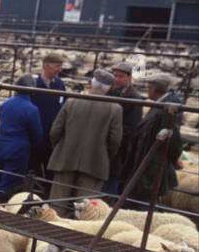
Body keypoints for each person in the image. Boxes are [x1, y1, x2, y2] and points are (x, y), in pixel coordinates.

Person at [47, 70, 122, 206]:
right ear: (109, 88)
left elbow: (55, 131)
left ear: (91, 83)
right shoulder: (114, 108)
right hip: (95, 163)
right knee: (85, 209)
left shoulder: (72, 101)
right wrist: (104, 155)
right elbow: (115, 140)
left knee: (57, 203)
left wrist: (60, 149)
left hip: (65, 159)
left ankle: (52, 225)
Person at [128, 72, 186, 210]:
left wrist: (174, 157)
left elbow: (172, 136)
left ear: (153, 89)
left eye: (148, 87)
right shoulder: (161, 105)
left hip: (153, 161)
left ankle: (149, 226)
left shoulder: (167, 109)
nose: (147, 90)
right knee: (140, 196)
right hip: (148, 158)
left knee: (146, 199)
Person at [0, 74, 46, 199]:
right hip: (18, 147)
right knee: (9, 180)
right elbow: (37, 134)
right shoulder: (31, 109)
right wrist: (34, 145)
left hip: (1, 143)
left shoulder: (6, 103)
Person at [103, 59, 143, 197]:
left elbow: (131, 127)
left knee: (112, 179)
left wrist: (111, 135)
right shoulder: (110, 93)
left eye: (121, 76)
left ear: (129, 78)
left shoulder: (134, 98)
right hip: (105, 145)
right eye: (115, 76)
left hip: (120, 148)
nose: (117, 79)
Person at [28, 51, 66, 172]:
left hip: (53, 139)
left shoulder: (60, 84)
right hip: (36, 138)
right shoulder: (34, 86)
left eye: (60, 66)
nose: (60, 70)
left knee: (51, 170)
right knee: (32, 169)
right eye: (57, 66)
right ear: (46, 66)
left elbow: (64, 106)